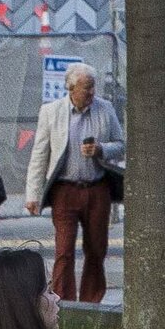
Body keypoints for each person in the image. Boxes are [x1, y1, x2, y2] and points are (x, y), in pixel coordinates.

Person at [24, 64, 122, 304]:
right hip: (64, 190)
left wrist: (101, 149)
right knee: (64, 250)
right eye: (85, 88)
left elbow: (120, 143)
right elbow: (40, 154)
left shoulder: (105, 109)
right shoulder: (51, 112)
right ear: (71, 88)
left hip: (97, 188)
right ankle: (63, 303)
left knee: (96, 249)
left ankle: (91, 302)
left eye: (92, 87)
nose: (90, 93)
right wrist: (32, 194)